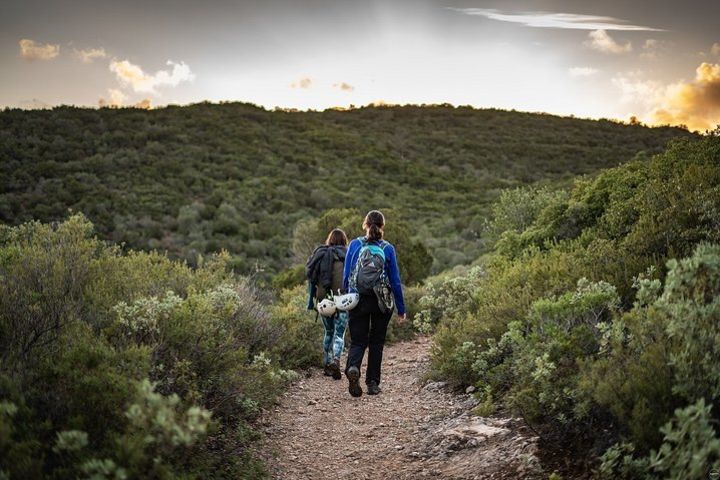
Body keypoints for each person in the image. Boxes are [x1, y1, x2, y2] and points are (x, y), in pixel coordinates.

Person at [343, 210, 406, 397]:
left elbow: (346, 277)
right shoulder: (387, 248)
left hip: (358, 299)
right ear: (382, 226)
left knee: (358, 340)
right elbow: (395, 280)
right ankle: (372, 383)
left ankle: (353, 367)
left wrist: (348, 297)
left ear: (365, 224)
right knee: (376, 342)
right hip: (381, 301)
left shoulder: (354, 244)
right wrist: (401, 309)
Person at [306, 228, 349, 380]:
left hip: (323, 301)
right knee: (339, 333)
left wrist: (310, 303)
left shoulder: (321, 255)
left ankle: (326, 363)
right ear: (344, 241)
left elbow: (312, 281)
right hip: (342, 301)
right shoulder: (347, 256)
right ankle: (336, 361)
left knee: (328, 332)